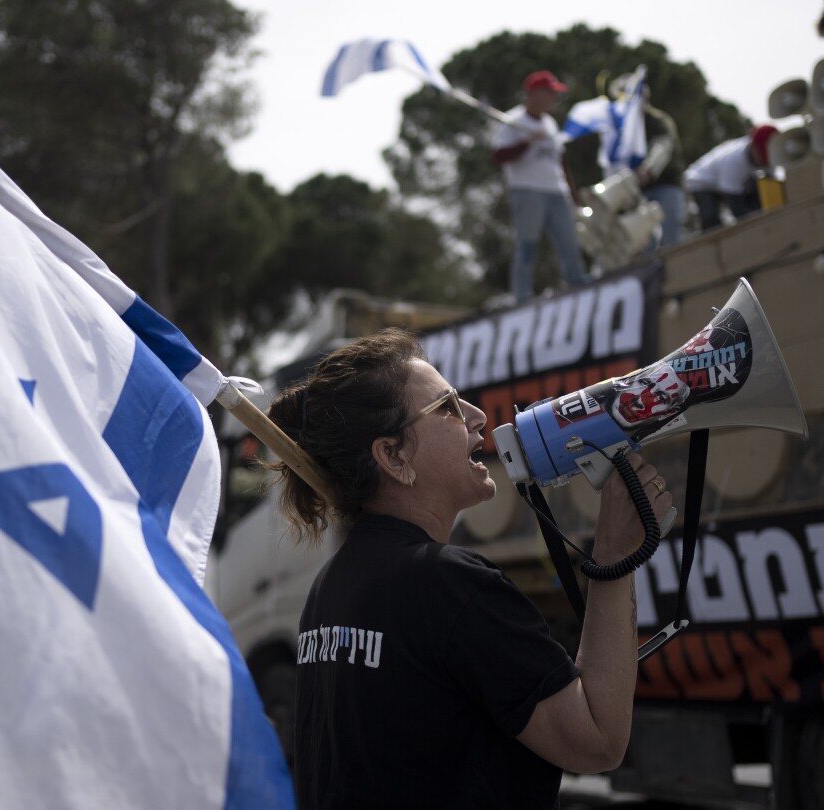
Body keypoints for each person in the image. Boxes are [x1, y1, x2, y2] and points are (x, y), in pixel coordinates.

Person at [267, 328, 673, 810]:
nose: (478, 418)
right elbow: (597, 740)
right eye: (447, 408)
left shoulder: (330, 586)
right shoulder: (446, 582)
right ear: (393, 457)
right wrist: (613, 556)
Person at [491, 70, 592, 302]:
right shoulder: (514, 120)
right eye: (550, 93)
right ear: (535, 94)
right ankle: (521, 293)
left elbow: (561, 161)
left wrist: (573, 194)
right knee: (527, 243)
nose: (555, 99)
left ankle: (576, 280)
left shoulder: (551, 123)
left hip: (557, 190)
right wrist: (526, 143)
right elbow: (499, 157)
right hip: (527, 189)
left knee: (569, 240)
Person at [608, 72, 687, 252]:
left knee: (671, 238)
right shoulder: (621, 128)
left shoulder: (658, 121)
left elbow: (662, 147)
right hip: (638, 191)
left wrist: (648, 169)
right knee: (644, 242)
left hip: (666, 185)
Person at [683, 125, 779, 234]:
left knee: (757, 190)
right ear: (753, 145)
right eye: (761, 155)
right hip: (701, 182)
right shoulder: (733, 160)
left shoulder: (769, 157)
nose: (763, 162)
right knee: (711, 219)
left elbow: (771, 185)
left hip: (728, 182)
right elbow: (736, 206)